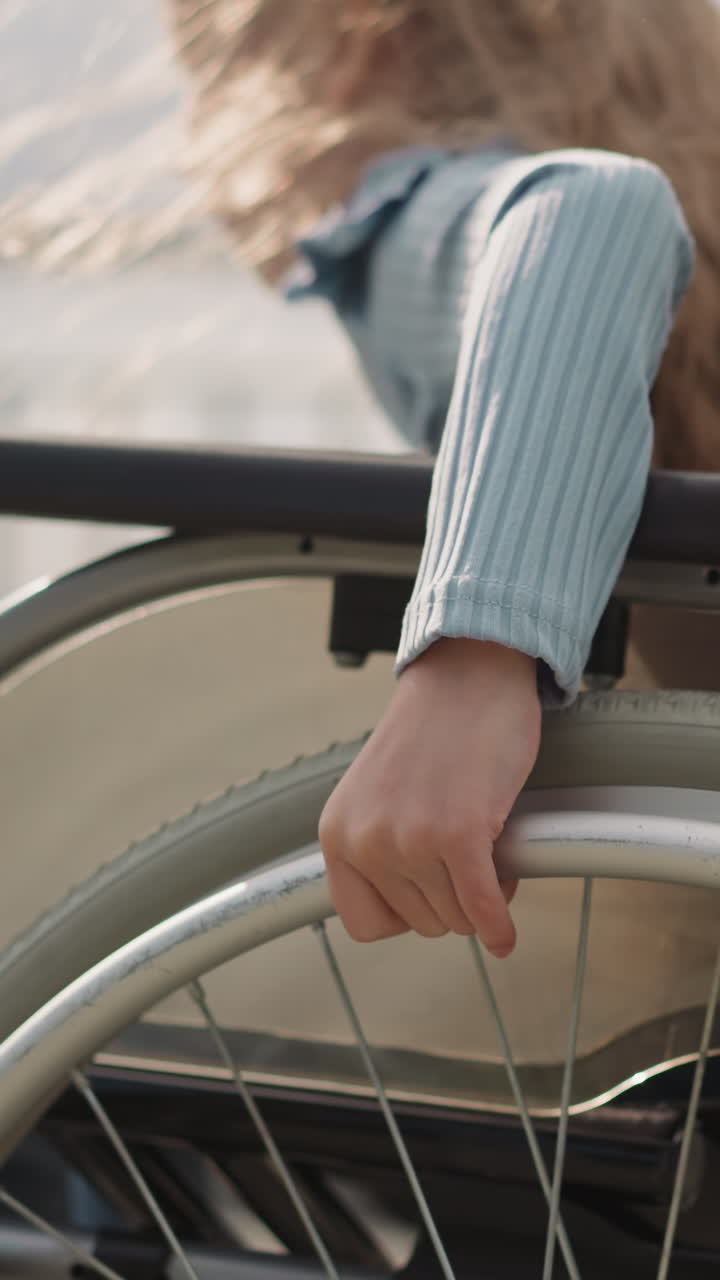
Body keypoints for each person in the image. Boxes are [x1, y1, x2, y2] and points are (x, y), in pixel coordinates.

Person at [167, 0, 720, 955]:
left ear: (352, 42)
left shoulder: (401, 215)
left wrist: (470, 666)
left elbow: (590, 213)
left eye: (210, 65)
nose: (193, 129)